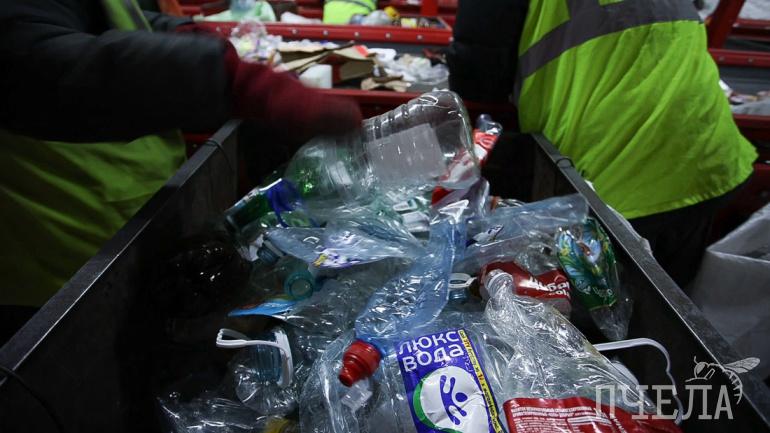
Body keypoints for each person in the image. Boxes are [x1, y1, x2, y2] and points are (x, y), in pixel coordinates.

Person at [0, 0, 362, 335]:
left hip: (138, 224)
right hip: (62, 272)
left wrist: (179, 33)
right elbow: (38, 62)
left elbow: (90, 17)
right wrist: (228, 79)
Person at [448, 0, 757, 290]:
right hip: (705, 151)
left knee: (597, 316)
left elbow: (477, 76)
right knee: (667, 304)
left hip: (612, 172)